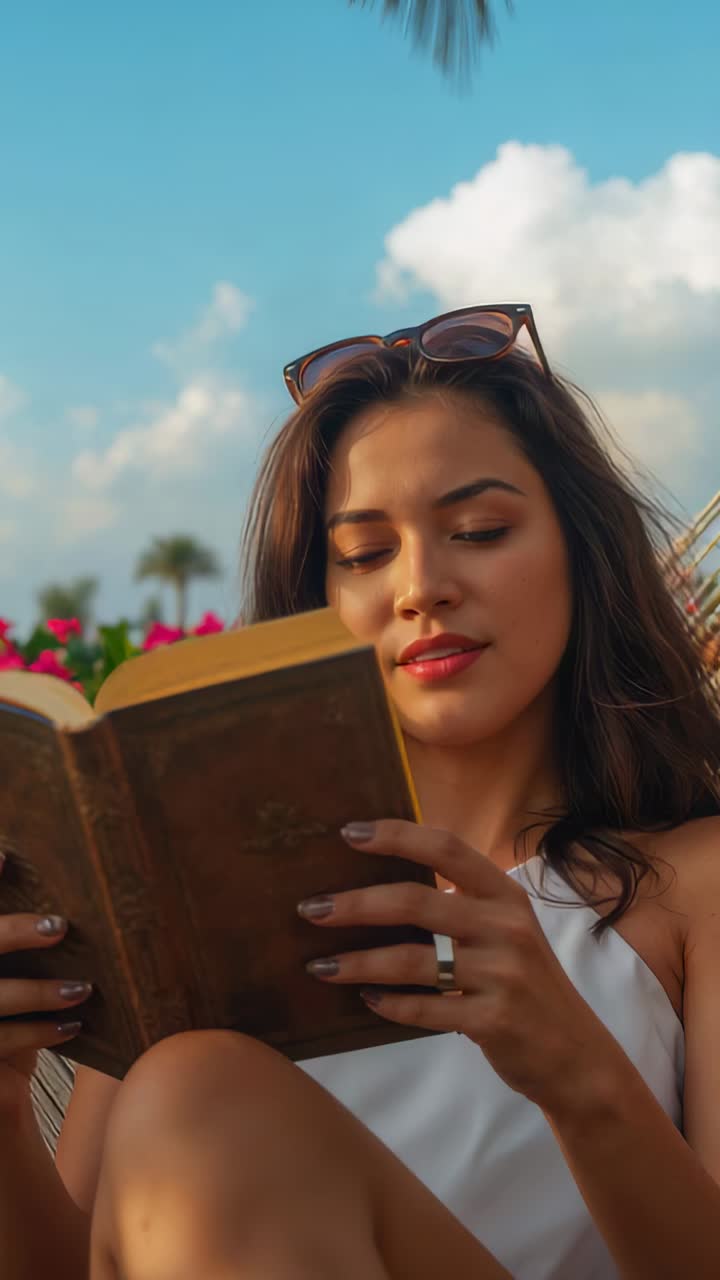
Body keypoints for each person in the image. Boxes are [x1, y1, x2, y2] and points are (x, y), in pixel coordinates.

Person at [2, 303, 720, 1280]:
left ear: (580, 551)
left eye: (477, 528)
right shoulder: (199, 923)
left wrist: (578, 1071)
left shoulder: (696, 882)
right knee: (197, 1089)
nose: (421, 584)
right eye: (365, 554)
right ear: (320, 605)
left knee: (204, 1089)